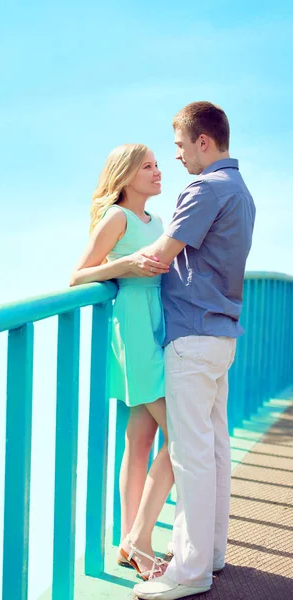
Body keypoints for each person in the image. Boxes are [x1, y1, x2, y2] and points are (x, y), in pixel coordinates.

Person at [133, 102, 256, 600]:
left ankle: (189, 571)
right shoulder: (242, 192)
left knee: (191, 456)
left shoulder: (206, 188)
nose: (178, 157)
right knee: (216, 450)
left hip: (191, 334)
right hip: (220, 334)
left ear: (204, 141)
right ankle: (213, 554)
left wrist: (98, 271)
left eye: (181, 146)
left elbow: (160, 255)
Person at [70, 143, 174, 580]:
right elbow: (77, 276)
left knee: (139, 441)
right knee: (183, 434)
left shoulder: (159, 221)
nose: (157, 171)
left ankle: (128, 545)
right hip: (132, 326)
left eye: (157, 165)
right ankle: (139, 540)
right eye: (147, 166)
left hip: (158, 322)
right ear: (126, 174)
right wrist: (126, 264)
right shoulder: (118, 217)